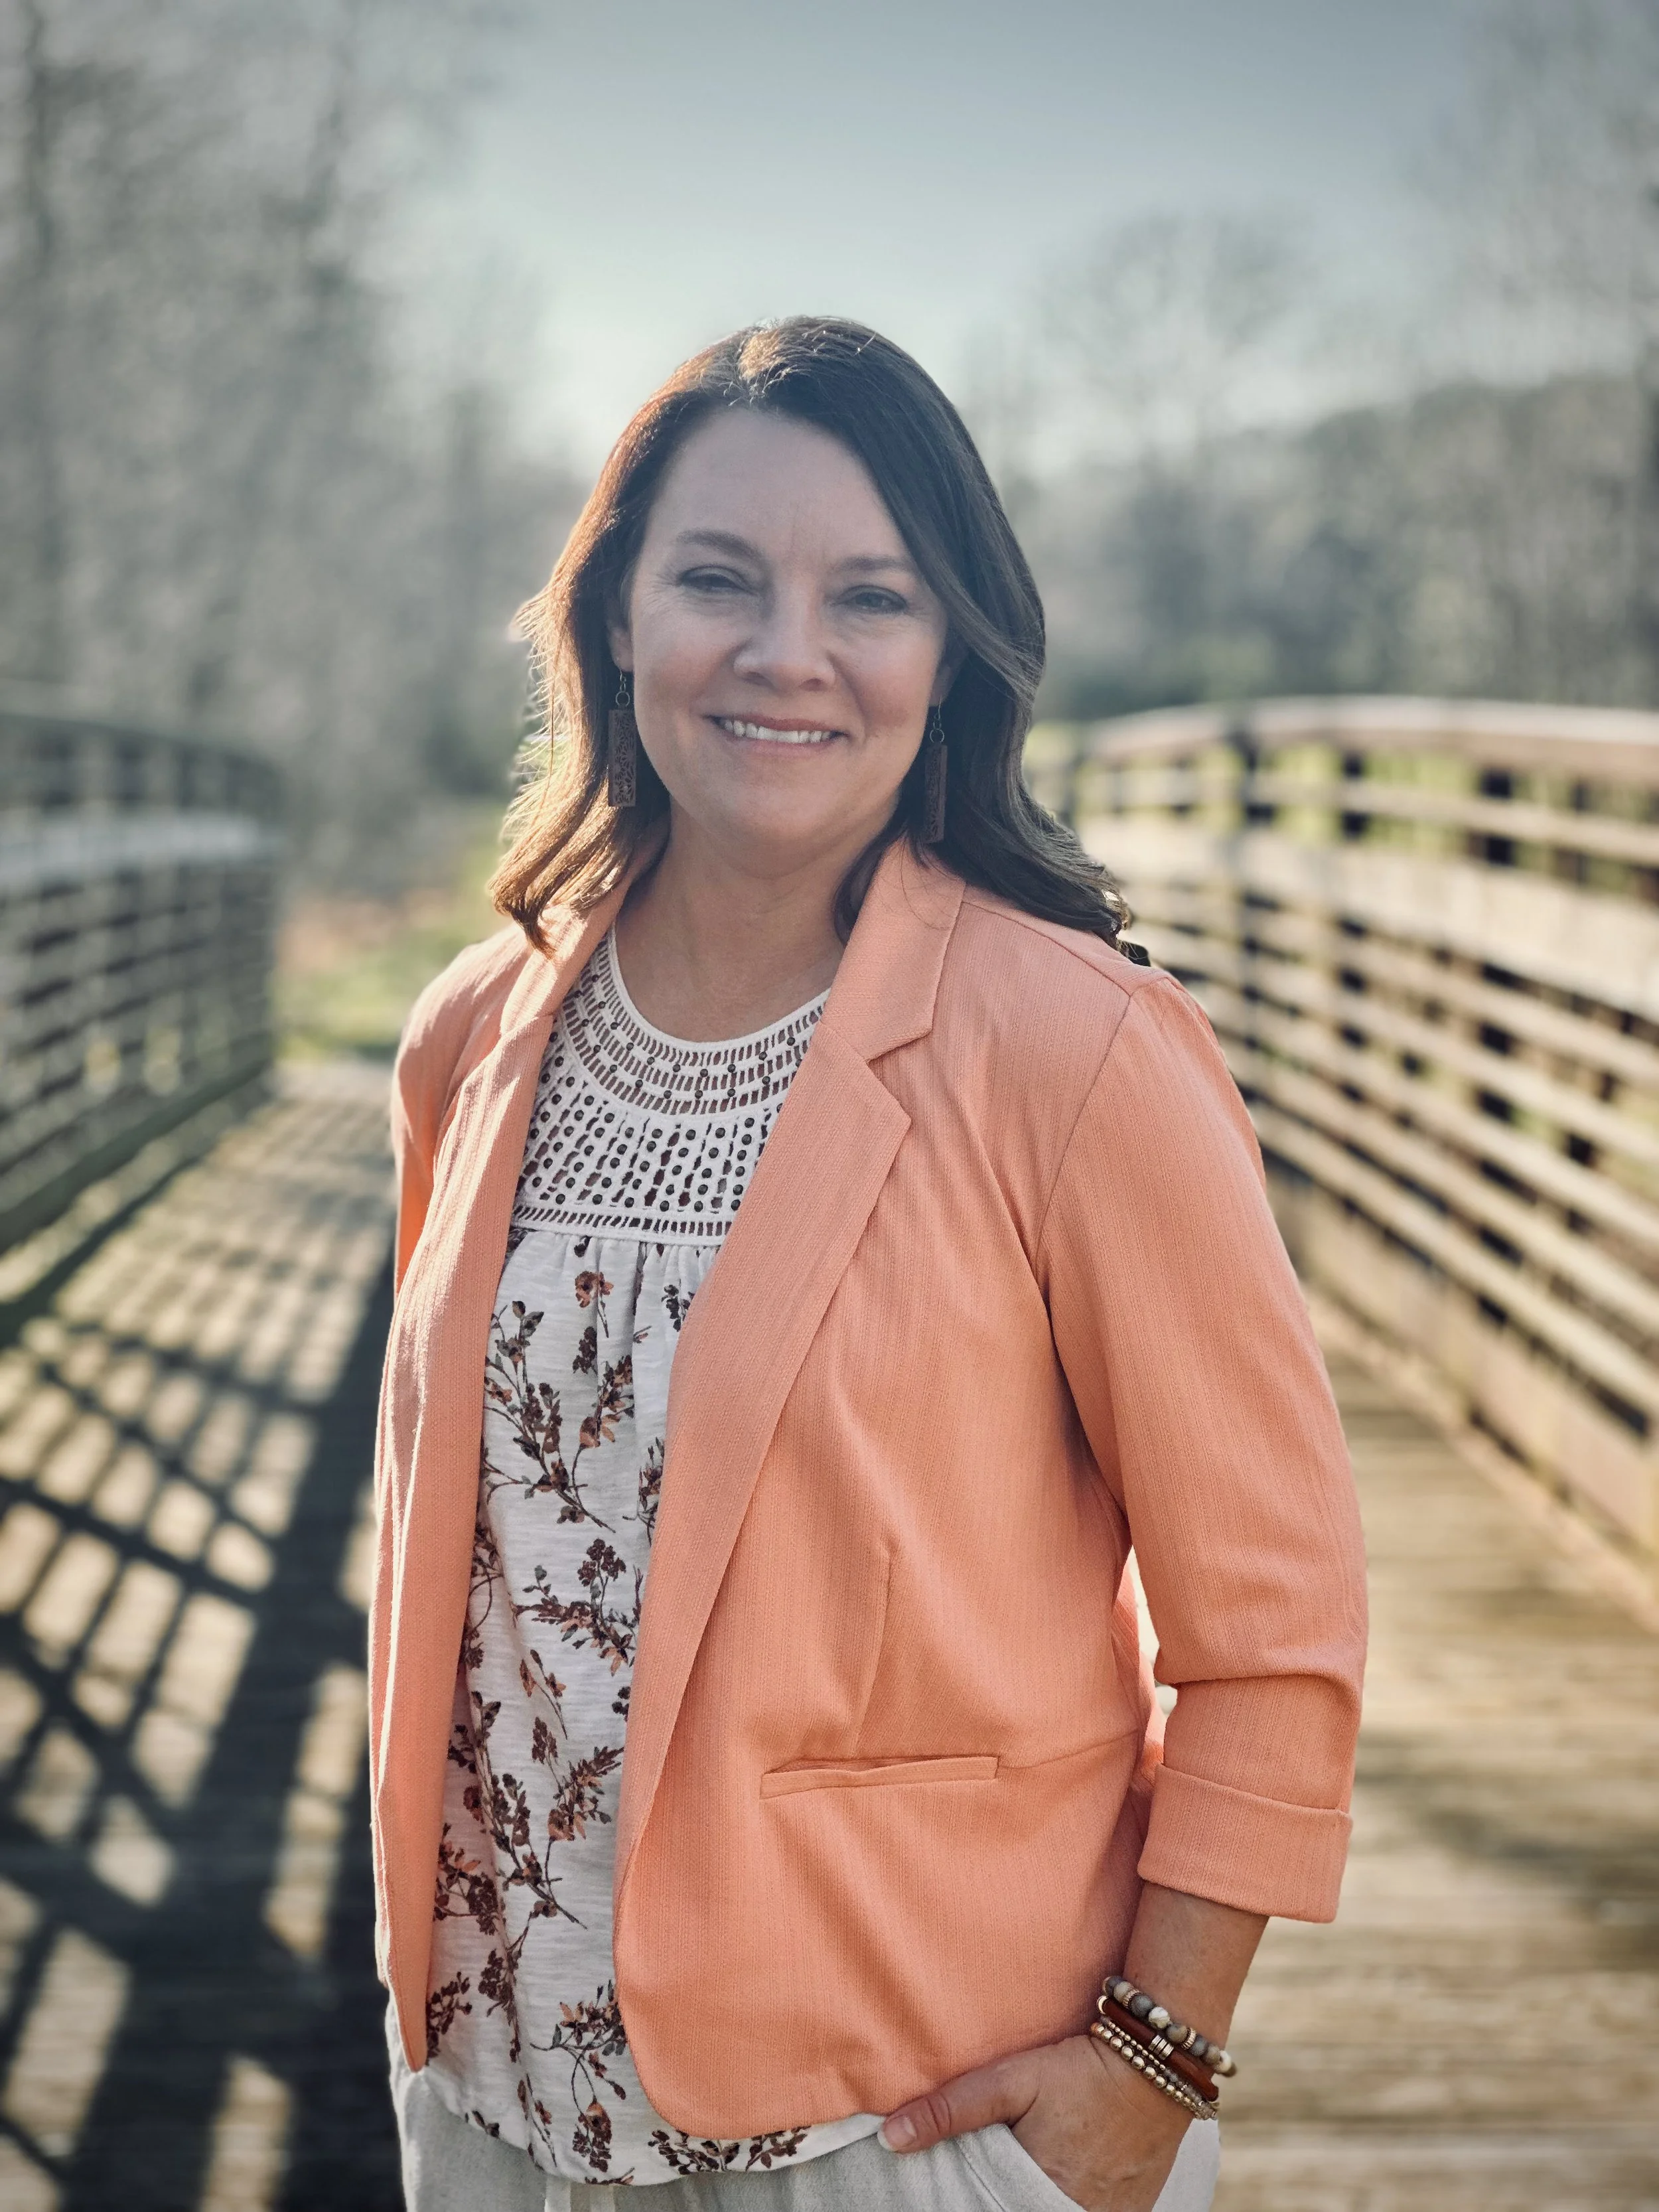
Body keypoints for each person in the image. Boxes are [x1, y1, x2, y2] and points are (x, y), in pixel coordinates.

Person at [371, 317, 1367, 2212]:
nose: (784, 652)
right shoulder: (469, 1038)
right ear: (612, 621)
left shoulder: (1072, 1052)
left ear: (948, 652)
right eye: (716, 580)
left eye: (869, 595)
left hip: (902, 2118)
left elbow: (1275, 1631)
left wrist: (1152, 2063)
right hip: (492, 2103)